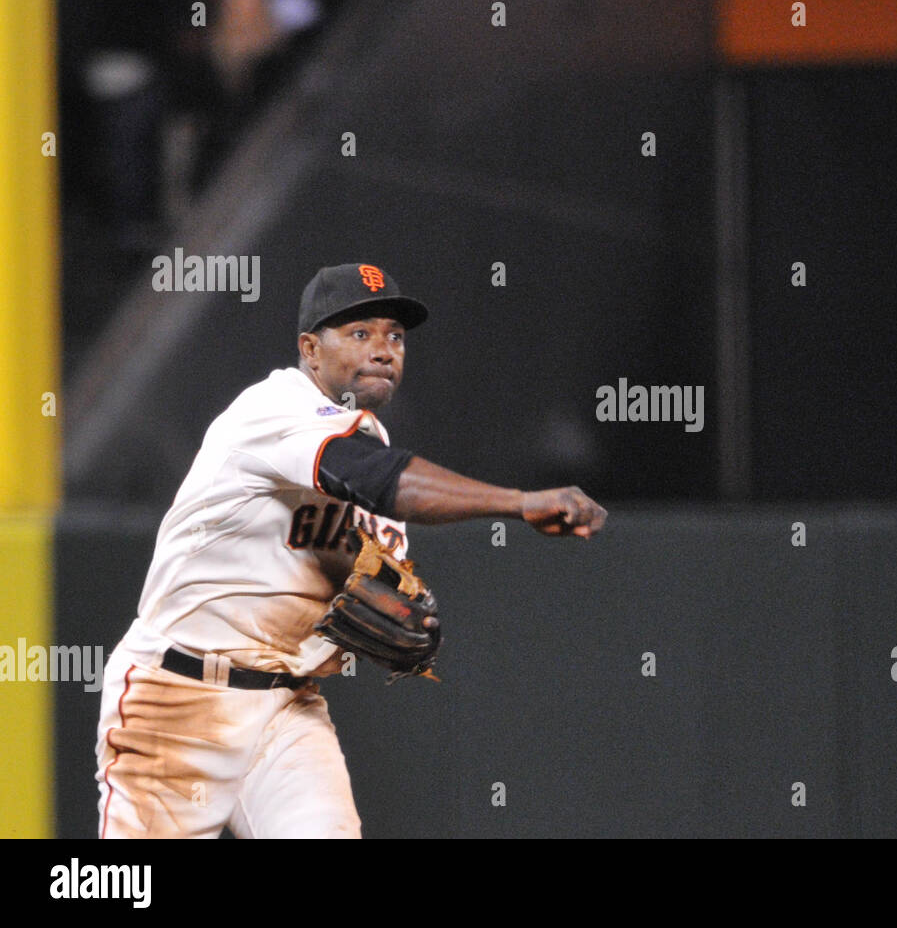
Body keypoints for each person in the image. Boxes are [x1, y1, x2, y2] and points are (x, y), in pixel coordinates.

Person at [94, 263, 607, 838]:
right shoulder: (273, 410)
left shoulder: (364, 440)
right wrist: (518, 502)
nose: (385, 350)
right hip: (177, 699)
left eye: (395, 335)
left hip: (286, 709)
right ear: (310, 349)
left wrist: (390, 592)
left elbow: (352, 547)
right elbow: (380, 478)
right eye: (360, 334)